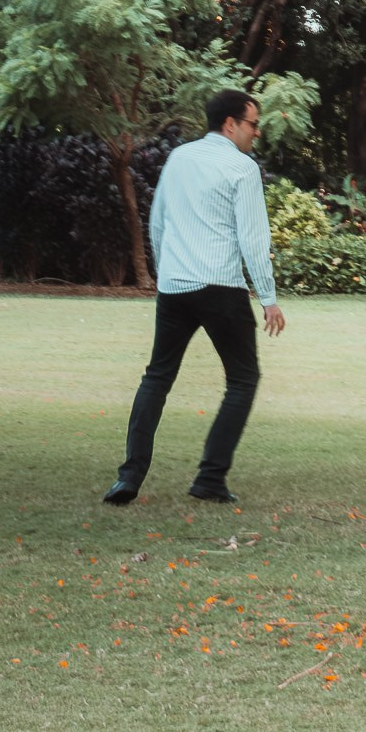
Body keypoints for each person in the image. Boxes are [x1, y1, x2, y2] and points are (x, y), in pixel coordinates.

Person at [102, 90, 284, 507]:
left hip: (176, 287)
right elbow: (253, 239)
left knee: (157, 377)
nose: (257, 132)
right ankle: (210, 478)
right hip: (221, 287)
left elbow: (158, 222)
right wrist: (269, 298)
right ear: (231, 124)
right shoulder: (242, 167)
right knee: (243, 379)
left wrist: (168, 272)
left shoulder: (179, 159)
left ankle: (128, 477)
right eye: (253, 124)